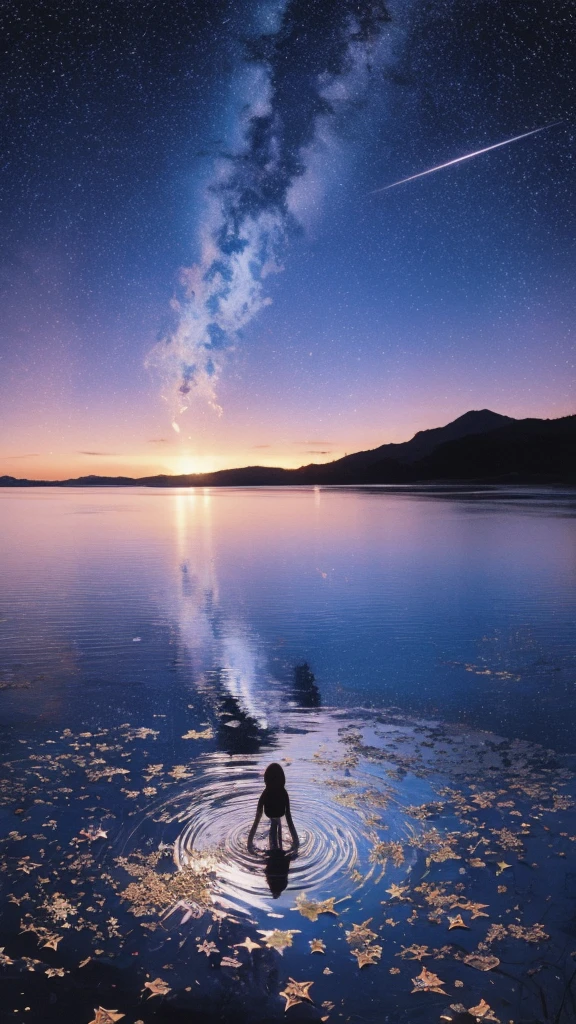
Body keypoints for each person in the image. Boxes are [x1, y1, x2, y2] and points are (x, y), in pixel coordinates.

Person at [247, 762, 299, 853]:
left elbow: (257, 819)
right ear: (282, 779)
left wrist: (249, 844)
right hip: (277, 812)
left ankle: (274, 844)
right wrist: (296, 843)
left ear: (266, 780)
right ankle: (276, 844)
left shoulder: (267, 793)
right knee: (275, 823)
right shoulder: (282, 793)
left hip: (271, 813)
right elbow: (289, 818)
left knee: (274, 824)